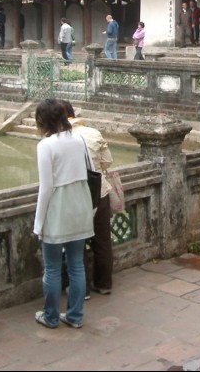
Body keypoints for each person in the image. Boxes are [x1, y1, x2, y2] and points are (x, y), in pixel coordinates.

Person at [32, 99, 94, 330]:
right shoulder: (78, 139)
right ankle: (75, 316)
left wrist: (38, 224)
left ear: (43, 121)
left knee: (53, 267)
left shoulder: (45, 146)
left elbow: (45, 187)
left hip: (58, 206)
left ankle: (50, 316)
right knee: (77, 263)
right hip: (80, 202)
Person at [63, 102, 114, 297]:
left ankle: (81, 289)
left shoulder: (57, 139)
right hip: (99, 194)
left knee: (77, 244)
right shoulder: (93, 133)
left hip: (74, 197)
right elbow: (107, 161)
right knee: (102, 241)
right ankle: (104, 283)